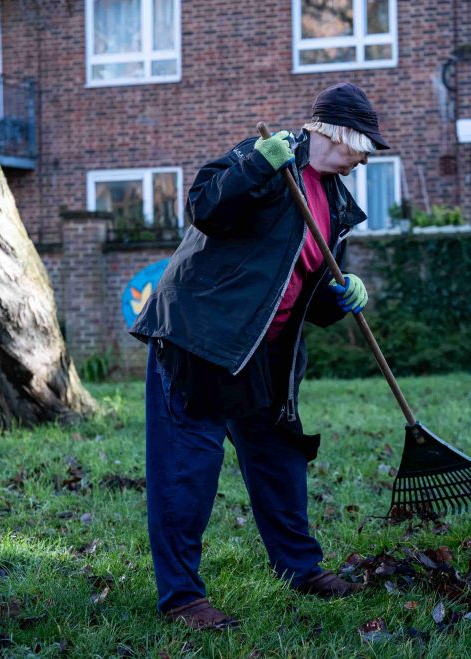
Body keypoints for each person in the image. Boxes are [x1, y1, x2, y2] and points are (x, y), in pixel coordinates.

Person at [129, 82, 389, 630]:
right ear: (335, 132)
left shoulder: (336, 201)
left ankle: (300, 568)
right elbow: (205, 208)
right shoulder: (268, 155)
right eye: (362, 146)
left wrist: (341, 295)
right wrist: (257, 165)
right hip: (201, 337)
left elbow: (305, 293)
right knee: (188, 466)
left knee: (279, 458)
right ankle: (181, 597)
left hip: (265, 352)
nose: (364, 158)